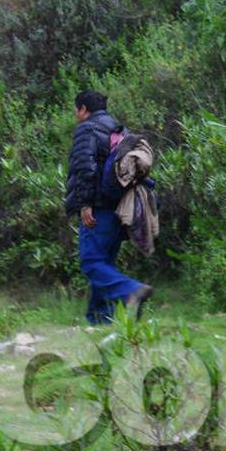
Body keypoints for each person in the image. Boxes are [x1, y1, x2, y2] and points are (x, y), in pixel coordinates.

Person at [65, 90, 152, 324]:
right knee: (103, 263)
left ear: (83, 109)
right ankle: (100, 320)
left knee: (91, 262)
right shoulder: (120, 130)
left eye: (76, 109)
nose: (75, 114)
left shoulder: (87, 129)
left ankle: (130, 291)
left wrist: (85, 204)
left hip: (98, 208)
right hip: (119, 207)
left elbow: (85, 168)